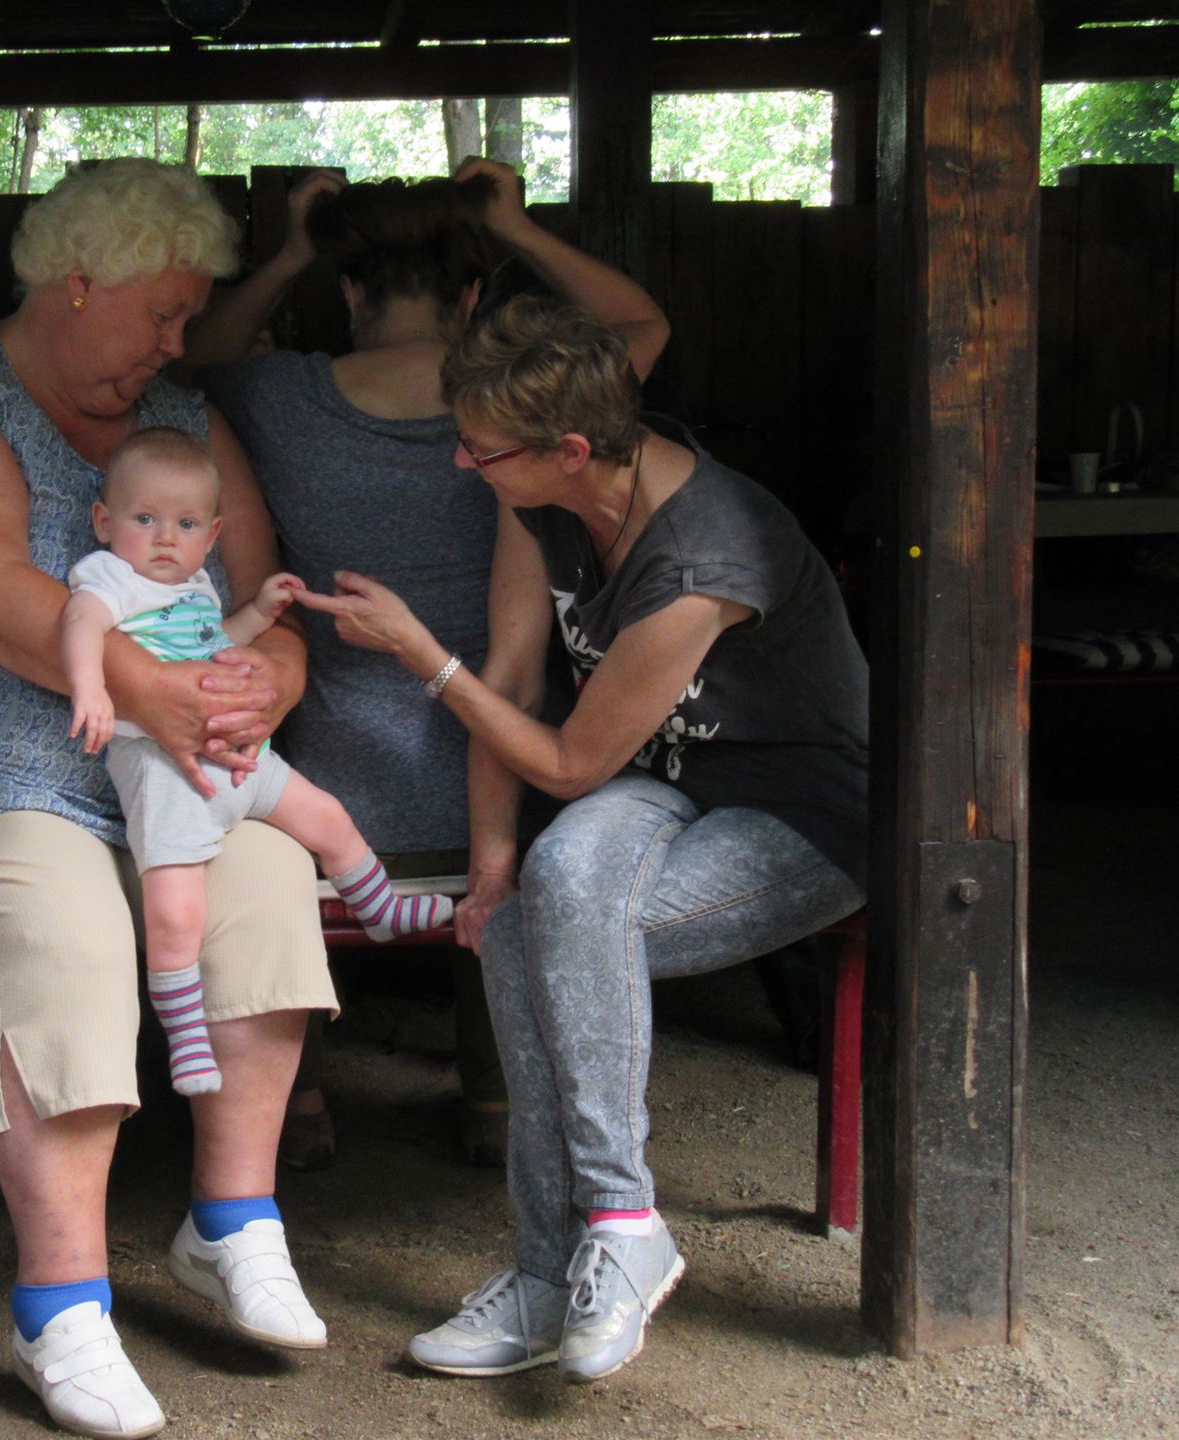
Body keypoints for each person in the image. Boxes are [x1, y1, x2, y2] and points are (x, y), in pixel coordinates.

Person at [0, 158, 337, 1440]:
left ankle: (232, 1222)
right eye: (164, 312)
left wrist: (265, 681)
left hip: (149, 772)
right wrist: (163, 693)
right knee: (67, 931)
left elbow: (267, 599)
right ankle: (62, 1306)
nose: (180, 342)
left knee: (270, 878)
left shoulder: (178, 419)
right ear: (79, 283)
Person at [294, 296, 868, 1383]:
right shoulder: (542, 501)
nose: (461, 463)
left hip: (800, 811)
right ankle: (587, 1252)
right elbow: (514, 683)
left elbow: (564, 764)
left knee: (540, 934)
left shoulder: (704, 559)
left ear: (568, 448)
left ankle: (594, 1231)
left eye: (481, 449)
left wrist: (421, 656)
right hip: (661, 781)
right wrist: (490, 869)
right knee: (528, 902)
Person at [185, 160, 670, 1168]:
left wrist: (286, 254)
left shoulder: (276, 395)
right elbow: (642, 327)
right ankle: (493, 1098)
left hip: (324, 782)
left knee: (263, 860)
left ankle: (297, 1103)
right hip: (496, 760)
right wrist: (517, 225)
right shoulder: (521, 405)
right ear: (472, 296)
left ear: (350, 289)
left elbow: (186, 357)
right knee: (517, 812)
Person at [61, 426, 455, 1096]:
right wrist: (91, 687)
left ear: (212, 537)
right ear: (104, 522)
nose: (164, 539)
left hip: (245, 762)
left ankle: (379, 907)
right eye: (144, 519)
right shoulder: (111, 579)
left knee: (329, 819)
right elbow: (79, 625)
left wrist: (259, 615)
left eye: (186, 524)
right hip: (169, 774)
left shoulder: (196, 588)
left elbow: (217, 640)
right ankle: (186, 1035)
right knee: (176, 911)